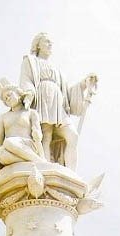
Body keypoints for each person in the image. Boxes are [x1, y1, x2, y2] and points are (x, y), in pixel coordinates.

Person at [19, 32, 98, 171]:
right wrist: (29, 94)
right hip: (42, 99)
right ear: (38, 45)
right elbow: (26, 80)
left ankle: (71, 174)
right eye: (47, 41)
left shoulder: (57, 70)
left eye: (51, 42)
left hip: (58, 105)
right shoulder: (30, 61)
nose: (50, 45)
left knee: (73, 136)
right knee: (45, 136)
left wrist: (84, 84)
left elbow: (67, 93)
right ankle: (46, 168)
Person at [0, 78, 45, 172]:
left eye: (9, 95)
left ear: (18, 93)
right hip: (10, 149)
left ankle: (37, 160)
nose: (8, 99)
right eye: (5, 99)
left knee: (8, 142)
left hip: (26, 145)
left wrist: (37, 135)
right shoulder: (3, 117)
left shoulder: (31, 113)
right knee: (0, 155)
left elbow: (37, 135)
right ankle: (32, 160)